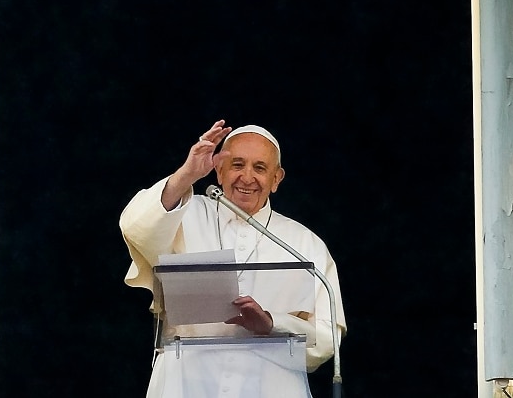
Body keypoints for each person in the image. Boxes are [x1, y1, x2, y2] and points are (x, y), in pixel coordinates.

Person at [120, 119, 346, 397]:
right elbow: (136, 227)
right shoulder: (184, 213)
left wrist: (272, 324)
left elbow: (327, 338)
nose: (247, 177)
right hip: (185, 381)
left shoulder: (305, 243)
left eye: (260, 168)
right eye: (237, 165)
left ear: (277, 179)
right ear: (218, 170)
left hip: (272, 386)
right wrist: (187, 175)